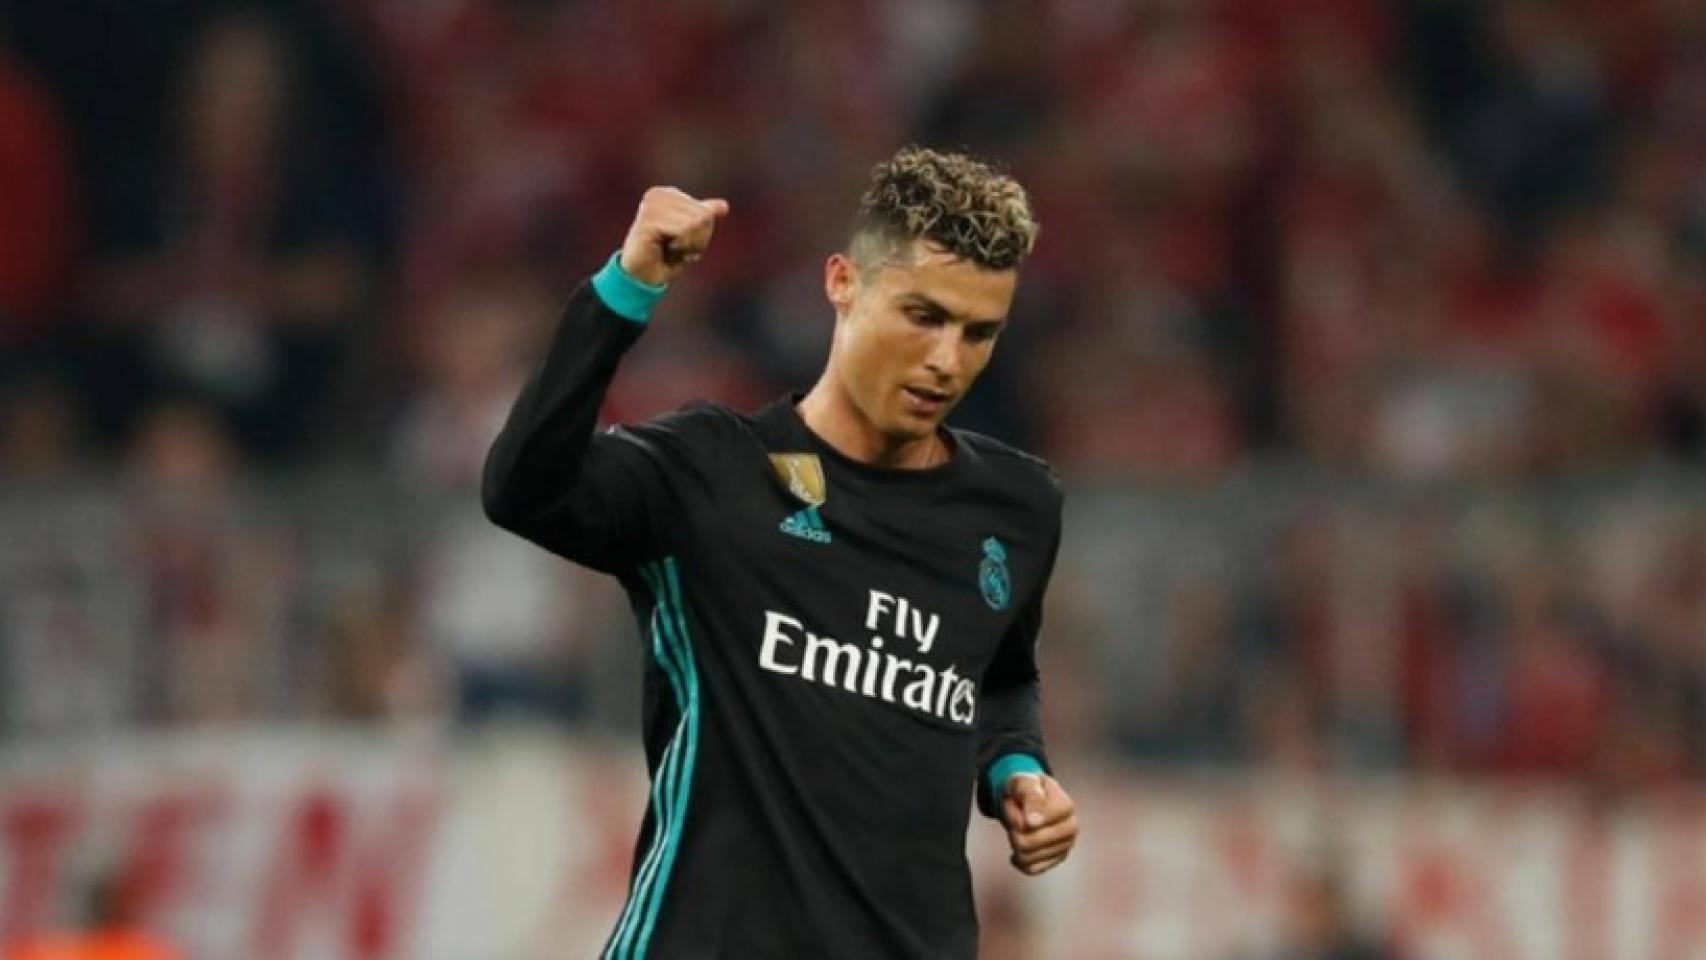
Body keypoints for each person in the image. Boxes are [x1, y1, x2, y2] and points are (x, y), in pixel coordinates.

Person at [483, 146, 1078, 958]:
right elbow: (523, 489)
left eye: (979, 332)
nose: (948, 360)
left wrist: (1015, 767)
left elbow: (999, 673)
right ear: (843, 282)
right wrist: (625, 288)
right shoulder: (710, 475)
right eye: (923, 315)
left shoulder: (1018, 510)